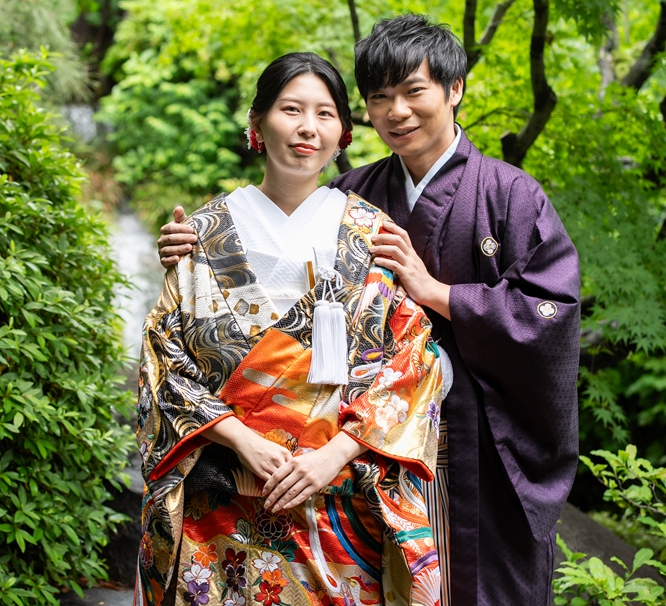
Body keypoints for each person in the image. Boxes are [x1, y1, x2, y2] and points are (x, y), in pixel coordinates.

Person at [156, 15, 582, 605]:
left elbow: (551, 310)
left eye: (414, 91)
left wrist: (436, 293)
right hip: (345, 458)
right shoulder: (349, 196)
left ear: (454, 89)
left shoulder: (510, 194)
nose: (397, 112)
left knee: (480, 586)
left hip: (472, 439)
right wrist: (188, 248)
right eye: (380, 98)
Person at [136, 52, 448, 606]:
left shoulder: (371, 233)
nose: (308, 127)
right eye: (291, 110)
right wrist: (241, 440)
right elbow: (163, 360)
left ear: (343, 134)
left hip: (338, 503)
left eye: (325, 114)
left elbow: (411, 361)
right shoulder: (203, 233)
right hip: (222, 502)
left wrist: (333, 455)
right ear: (256, 124)